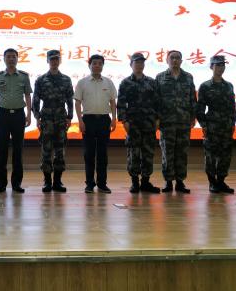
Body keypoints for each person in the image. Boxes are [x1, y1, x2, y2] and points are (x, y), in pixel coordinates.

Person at [117, 52, 160, 194]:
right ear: (131, 65)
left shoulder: (152, 82)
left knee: (148, 153)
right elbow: (121, 104)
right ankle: (134, 182)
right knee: (133, 154)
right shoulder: (125, 83)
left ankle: (146, 182)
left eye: (142, 62)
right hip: (133, 124)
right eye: (137, 62)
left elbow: (157, 103)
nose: (139, 65)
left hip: (149, 123)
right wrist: (124, 121)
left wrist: (158, 119)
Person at [0, 48, 32, 194]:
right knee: (1, 150)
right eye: (8, 56)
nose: (11, 59)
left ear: (17, 58)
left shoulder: (24, 76)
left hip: (19, 115)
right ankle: (1, 184)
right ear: (4, 59)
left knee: (18, 150)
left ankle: (16, 184)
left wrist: (29, 114)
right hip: (3, 115)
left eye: (14, 56)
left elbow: (28, 96)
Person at [32, 49, 74, 193]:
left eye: (56, 59)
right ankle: (47, 181)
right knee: (46, 150)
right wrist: (37, 117)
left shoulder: (66, 79)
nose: (54, 62)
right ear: (48, 61)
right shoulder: (41, 80)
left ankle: (57, 181)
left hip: (61, 118)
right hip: (47, 118)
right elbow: (35, 100)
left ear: (60, 61)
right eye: (52, 59)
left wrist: (70, 117)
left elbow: (70, 99)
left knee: (60, 151)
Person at [155, 50, 197, 193]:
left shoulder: (188, 77)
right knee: (167, 153)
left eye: (177, 58)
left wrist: (193, 116)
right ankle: (168, 182)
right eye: (172, 58)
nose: (174, 60)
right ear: (167, 60)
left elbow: (193, 98)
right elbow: (156, 100)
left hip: (184, 121)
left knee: (182, 153)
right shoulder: (160, 77)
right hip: (166, 122)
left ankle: (180, 182)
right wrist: (157, 118)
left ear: (181, 60)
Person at [74, 54, 117, 193]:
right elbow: (77, 102)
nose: (97, 65)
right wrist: (80, 121)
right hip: (88, 120)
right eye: (94, 63)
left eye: (100, 63)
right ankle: (89, 184)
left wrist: (114, 119)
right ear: (89, 65)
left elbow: (113, 102)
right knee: (89, 153)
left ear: (103, 66)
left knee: (103, 153)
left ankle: (102, 184)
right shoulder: (82, 82)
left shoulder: (108, 82)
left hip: (104, 120)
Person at [196, 55, 236, 194]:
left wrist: (233, 123)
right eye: (218, 65)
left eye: (222, 65)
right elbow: (200, 109)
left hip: (226, 126)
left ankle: (221, 181)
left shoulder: (229, 85)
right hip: (212, 127)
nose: (221, 68)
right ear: (211, 67)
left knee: (226, 155)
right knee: (211, 156)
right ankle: (212, 182)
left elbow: (232, 107)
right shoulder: (205, 86)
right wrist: (204, 125)